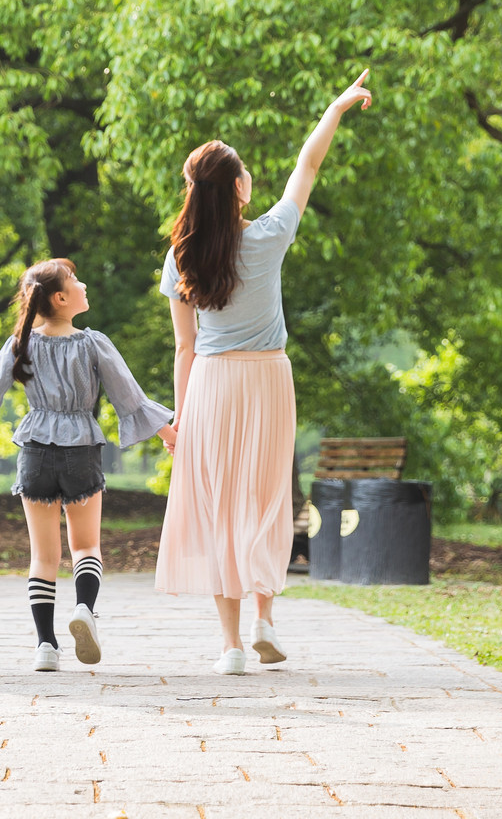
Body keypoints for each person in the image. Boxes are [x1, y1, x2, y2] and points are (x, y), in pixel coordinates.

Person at [154, 71, 374, 674]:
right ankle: (265, 620)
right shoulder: (270, 235)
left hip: (212, 385)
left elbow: (184, 347)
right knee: (267, 499)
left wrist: (181, 418)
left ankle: (230, 647)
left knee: (221, 507)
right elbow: (309, 163)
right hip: (268, 380)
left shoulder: (181, 257)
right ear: (239, 189)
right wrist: (335, 107)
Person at [0, 259, 176, 672]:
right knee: (86, 546)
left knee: (43, 556)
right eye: (75, 280)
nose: (83, 283)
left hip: (35, 451)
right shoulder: (93, 343)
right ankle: (85, 610)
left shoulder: (21, 343)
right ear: (60, 298)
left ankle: (45, 647)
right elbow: (129, 397)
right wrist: (169, 434)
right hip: (81, 449)